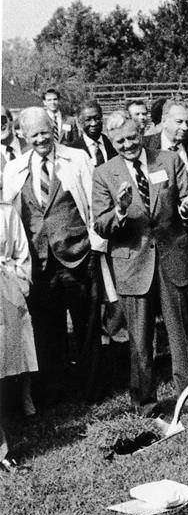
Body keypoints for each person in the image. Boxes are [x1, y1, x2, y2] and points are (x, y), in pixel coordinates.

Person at [92, 113, 188, 415]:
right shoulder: (104, 173)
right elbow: (100, 226)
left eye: (131, 137)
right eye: (120, 142)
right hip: (132, 264)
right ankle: (145, 402)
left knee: (181, 332)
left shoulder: (168, 159)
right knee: (140, 339)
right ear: (112, 142)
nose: (128, 145)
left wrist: (185, 210)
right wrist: (119, 211)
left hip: (172, 257)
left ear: (140, 131)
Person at [2, 108, 98, 406]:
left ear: (53, 130)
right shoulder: (14, 169)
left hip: (78, 256)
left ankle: (92, 387)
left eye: (45, 132)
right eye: (34, 135)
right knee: (49, 330)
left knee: (87, 325)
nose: (41, 138)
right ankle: (56, 390)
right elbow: (11, 216)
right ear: (23, 136)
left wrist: (95, 248)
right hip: (39, 264)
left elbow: (93, 205)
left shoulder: (77, 159)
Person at [0, 187, 38, 421]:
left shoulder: (5, 211)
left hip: (6, 281)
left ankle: (26, 397)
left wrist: (20, 279)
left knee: (19, 338)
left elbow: (21, 251)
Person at [144, 98, 188, 176]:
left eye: (187, 123)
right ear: (164, 121)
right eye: (179, 122)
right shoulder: (144, 145)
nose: (185, 127)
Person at [71, 100, 117, 169]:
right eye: (88, 120)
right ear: (80, 122)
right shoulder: (74, 149)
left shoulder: (113, 143)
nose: (94, 123)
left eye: (97, 118)